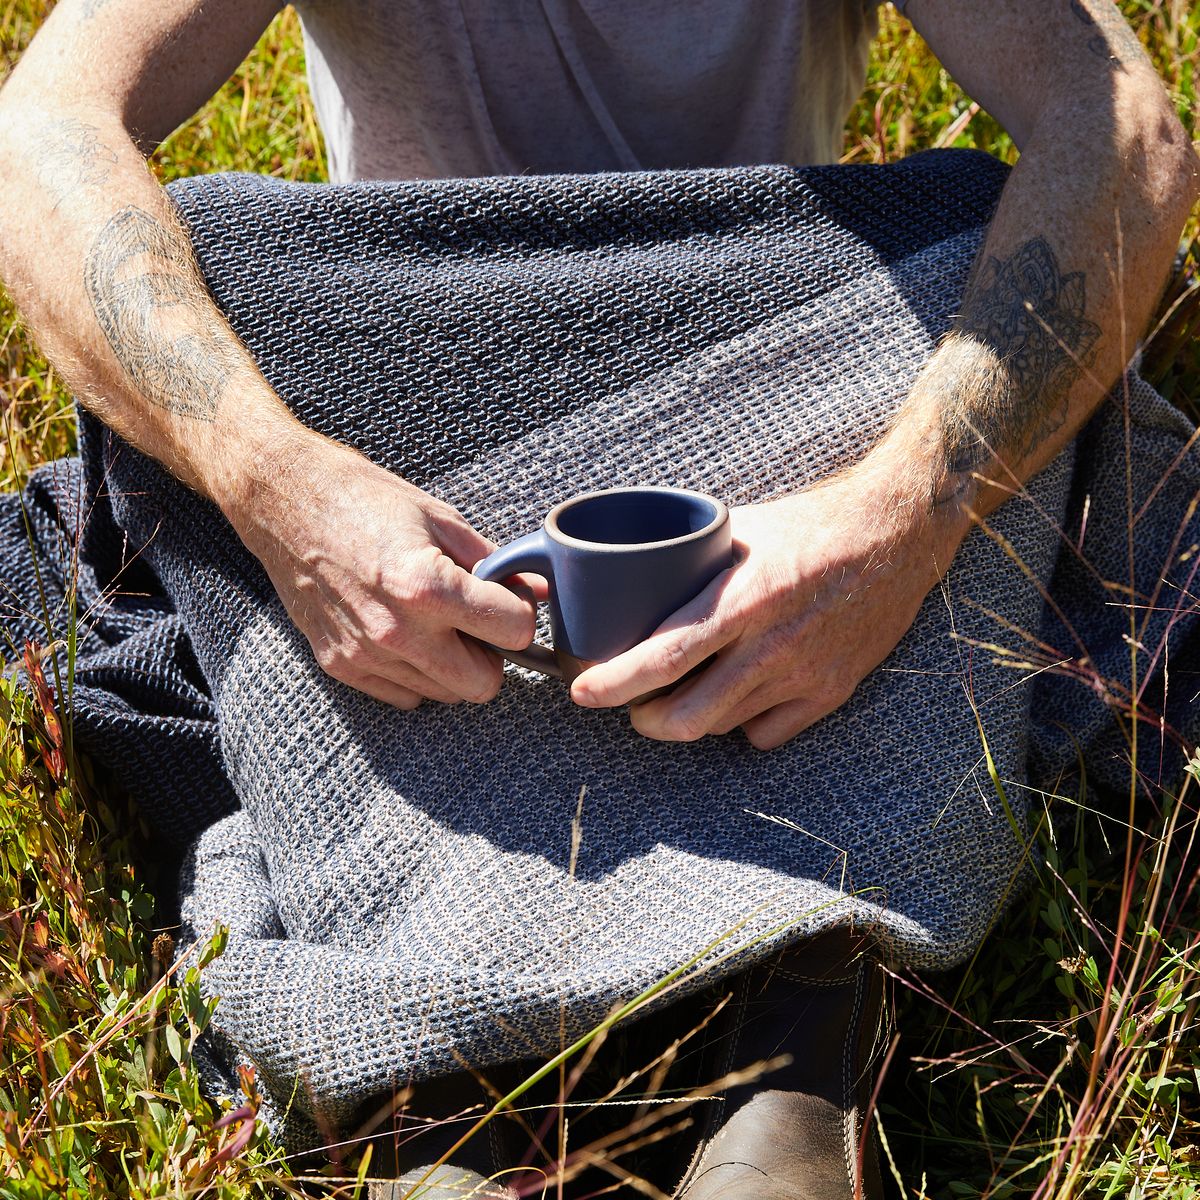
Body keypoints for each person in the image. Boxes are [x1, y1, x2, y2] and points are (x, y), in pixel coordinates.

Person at [0, 2, 1195, 1196]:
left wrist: (893, 524)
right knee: (199, 276)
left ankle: (794, 1022)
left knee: (986, 258)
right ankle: (434, 1063)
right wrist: (278, 483)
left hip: (780, 381)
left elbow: (1121, 128)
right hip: (418, 387)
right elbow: (46, 126)